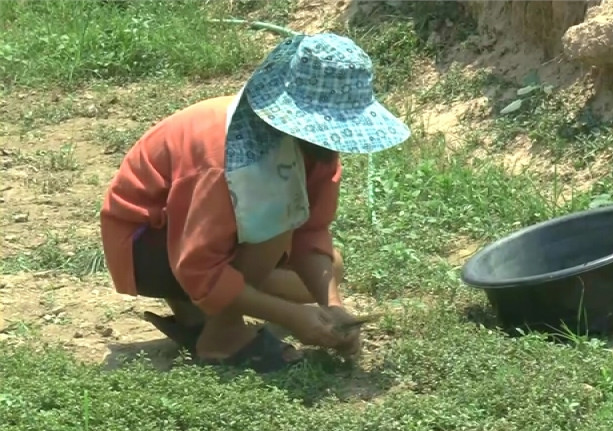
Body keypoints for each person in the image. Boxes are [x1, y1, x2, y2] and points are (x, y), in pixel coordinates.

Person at [99, 32, 411, 373]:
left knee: (328, 267)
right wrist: (292, 317)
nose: (332, 144)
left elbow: (312, 230)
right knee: (276, 223)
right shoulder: (225, 158)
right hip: (147, 249)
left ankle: (199, 307)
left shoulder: (313, 148)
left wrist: (331, 305)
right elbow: (197, 265)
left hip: (194, 244)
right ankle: (223, 336)